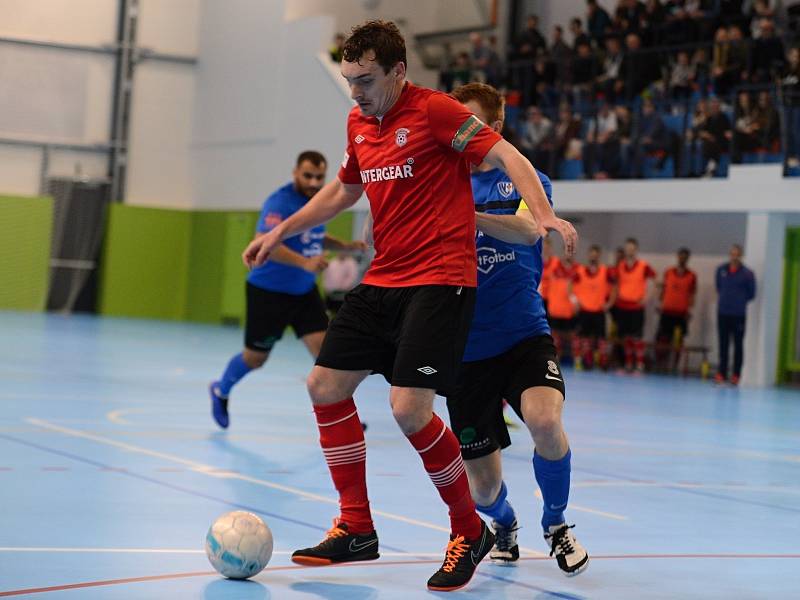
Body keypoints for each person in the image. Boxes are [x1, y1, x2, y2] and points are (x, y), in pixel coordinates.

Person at [241, 20, 578, 592]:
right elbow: (344, 190)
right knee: (323, 386)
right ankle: (356, 526)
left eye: (365, 79)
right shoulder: (359, 121)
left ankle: (468, 529)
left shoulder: (437, 112)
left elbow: (508, 155)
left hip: (442, 280)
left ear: (399, 71)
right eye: (349, 79)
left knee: (408, 408)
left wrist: (542, 215)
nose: (355, 91)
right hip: (386, 278)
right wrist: (282, 233)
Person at [449, 81, 589, 575]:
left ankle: (556, 524)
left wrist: (467, 216)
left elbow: (530, 228)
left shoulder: (526, 179)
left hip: (523, 334)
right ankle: (504, 523)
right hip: (464, 351)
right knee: (483, 490)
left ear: (496, 127)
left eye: (474, 123)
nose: (464, 134)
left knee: (546, 423)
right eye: (457, 123)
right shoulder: (443, 179)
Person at [208, 151, 365, 429]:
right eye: (308, 175)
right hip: (269, 293)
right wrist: (305, 263)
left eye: (320, 176)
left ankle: (341, 417)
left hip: (303, 294)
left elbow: (312, 234)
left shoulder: (316, 201)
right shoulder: (280, 202)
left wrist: (343, 246)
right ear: (295, 173)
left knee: (326, 354)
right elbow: (264, 241)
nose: (314, 182)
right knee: (255, 359)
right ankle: (221, 389)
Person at [612, 238, 656, 372]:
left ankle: (639, 364)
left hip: (636, 306)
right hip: (622, 306)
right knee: (625, 337)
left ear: (636, 249)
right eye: (628, 248)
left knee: (637, 337)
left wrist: (647, 298)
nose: (630, 250)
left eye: (632, 248)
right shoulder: (620, 266)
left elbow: (654, 281)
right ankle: (628, 364)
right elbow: (615, 284)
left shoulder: (644, 266)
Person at [714, 244, 756, 386]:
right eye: (732, 253)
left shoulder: (747, 273)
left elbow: (751, 294)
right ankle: (721, 374)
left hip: (738, 314)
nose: (734, 256)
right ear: (729, 254)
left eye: (737, 254)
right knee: (723, 344)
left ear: (741, 255)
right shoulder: (721, 270)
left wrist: (739, 300)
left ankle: (736, 375)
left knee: (738, 345)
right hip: (723, 312)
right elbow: (719, 287)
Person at [655, 247, 697, 372]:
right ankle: (661, 364)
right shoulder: (668, 272)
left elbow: (693, 294)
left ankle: (674, 366)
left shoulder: (692, 276)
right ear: (677, 257)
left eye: (685, 257)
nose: (682, 259)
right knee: (663, 339)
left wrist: (689, 310)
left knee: (678, 341)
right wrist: (660, 303)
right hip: (667, 311)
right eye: (680, 256)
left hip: (681, 313)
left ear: (688, 259)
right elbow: (663, 290)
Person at [573, 245, 615, 370]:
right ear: (588, 255)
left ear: (599, 256)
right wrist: (575, 301)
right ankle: (587, 360)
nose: (593, 257)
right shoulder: (580, 270)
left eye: (596, 254)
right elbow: (570, 285)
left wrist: (610, 303)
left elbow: (615, 288)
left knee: (602, 338)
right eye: (591, 254)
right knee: (584, 337)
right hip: (585, 310)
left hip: (599, 311)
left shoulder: (605, 271)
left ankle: (603, 361)